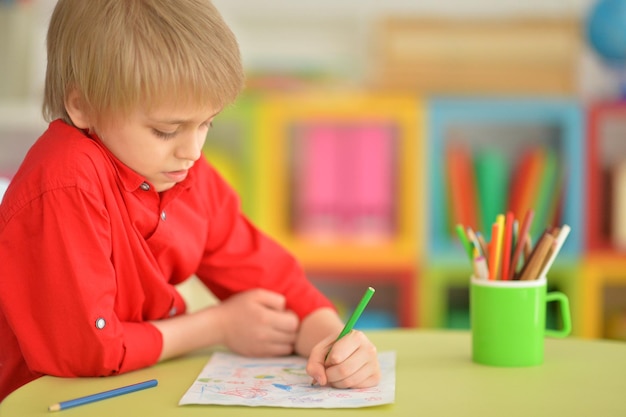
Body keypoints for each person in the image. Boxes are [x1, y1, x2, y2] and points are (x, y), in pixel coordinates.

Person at [0, 0, 380, 402]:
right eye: (166, 130)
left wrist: (334, 343)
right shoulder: (66, 181)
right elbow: (87, 349)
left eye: (206, 124)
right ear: (82, 106)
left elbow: (275, 282)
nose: (193, 150)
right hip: (43, 402)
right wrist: (218, 327)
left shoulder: (185, 173)